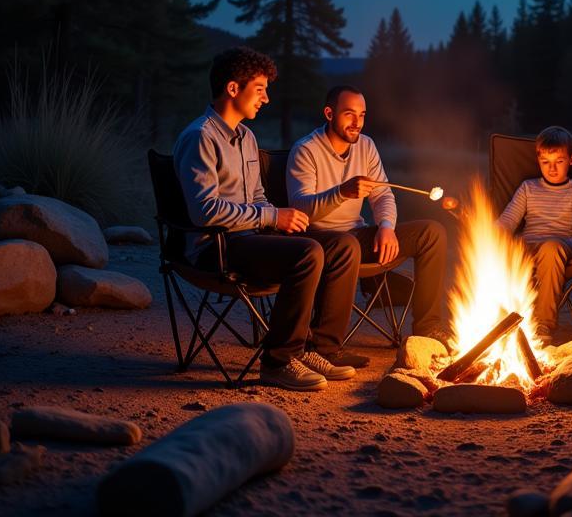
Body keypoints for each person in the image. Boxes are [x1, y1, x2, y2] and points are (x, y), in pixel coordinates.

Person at [172, 48, 360, 392]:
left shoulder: (246, 137)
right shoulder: (199, 137)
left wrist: (277, 220)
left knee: (342, 245)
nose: (267, 98)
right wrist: (272, 216)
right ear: (233, 89)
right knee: (307, 254)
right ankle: (278, 361)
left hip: (251, 237)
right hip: (216, 246)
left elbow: (257, 197)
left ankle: (319, 350)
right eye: (259, 89)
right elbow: (205, 211)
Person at [286, 84, 448, 352]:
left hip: (357, 236)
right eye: (349, 114)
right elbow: (301, 209)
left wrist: (386, 227)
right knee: (346, 244)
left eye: (362, 115)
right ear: (329, 113)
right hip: (318, 239)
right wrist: (341, 192)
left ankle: (428, 330)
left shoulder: (366, 146)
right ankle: (326, 347)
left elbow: (383, 195)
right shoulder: (305, 150)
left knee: (432, 233)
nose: (357, 122)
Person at [495, 125, 572, 345]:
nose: (552, 168)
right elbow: (507, 222)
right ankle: (498, 321)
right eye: (545, 162)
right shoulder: (528, 188)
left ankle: (543, 325)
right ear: (538, 160)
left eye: (559, 161)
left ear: (571, 160)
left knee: (551, 248)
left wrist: (561, 244)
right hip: (527, 248)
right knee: (502, 247)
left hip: (562, 249)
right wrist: (485, 231)